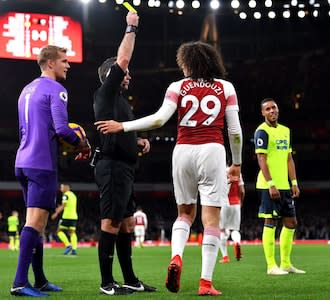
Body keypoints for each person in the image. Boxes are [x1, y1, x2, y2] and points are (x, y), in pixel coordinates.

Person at [95, 41, 244, 296]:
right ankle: (205, 283)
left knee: (184, 214)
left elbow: (159, 119)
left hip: (183, 150)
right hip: (212, 150)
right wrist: (237, 163)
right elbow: (235, 132)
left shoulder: (177, 86)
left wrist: (123, 126)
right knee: (211, 220)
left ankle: (176, 257)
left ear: (188, 63)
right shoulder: (225, 87)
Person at [11, 45, 91, 297]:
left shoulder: (26, 89)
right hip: (41, 163)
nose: (68, 65)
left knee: (39, 223)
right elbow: (62, 129)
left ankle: (41, 280)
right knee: (34, 223)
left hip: (22, 161)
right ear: (50, 64)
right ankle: (20, 283)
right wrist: (84, 144)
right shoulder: (57, 89)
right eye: (64, 61)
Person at [92, 11, 157, 296]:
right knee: (112, 222)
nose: (128, 75)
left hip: (125, 168)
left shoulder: (119, 102)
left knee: (128, 223)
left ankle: (130, 279)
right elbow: (123, 60)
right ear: (111, 76)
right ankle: (107, 283)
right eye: (124, 73)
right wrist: (131, 27)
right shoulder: (105, 94)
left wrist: (138, 141)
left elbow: (121, 130)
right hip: (112, 168)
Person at [254, 98, 305, 275]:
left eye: (274, 107)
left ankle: (285, 263)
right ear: (263, 113)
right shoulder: (262, 131)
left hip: (285, 185)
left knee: (291, 222)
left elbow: (289, 158)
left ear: (278, 109)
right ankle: (271, 266)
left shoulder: (285, 131)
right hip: (269, 185)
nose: (272, 111)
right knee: (270, 221)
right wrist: (271, 184)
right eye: (267, 109)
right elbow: (261, 159)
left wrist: (294, 182)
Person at [218, 166, 245, 264]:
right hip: (236, 203)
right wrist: (240, 201)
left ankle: (225, 257)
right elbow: (242, 191)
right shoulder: (238, 172)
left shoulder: (220, 171)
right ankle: (237, 243)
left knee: (222, 230)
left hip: (224, 203)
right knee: (235, 229)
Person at [51, 183, 79, 255]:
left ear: (66, 187)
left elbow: (64, 205)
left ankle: (68, 245)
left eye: (62, 187)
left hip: (66, 216)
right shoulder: (73, 195)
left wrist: (56, 213)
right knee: (72, 232)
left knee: (59, 231)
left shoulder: (65, 195)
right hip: (74, 217)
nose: (60, 189)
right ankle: (74, 249)